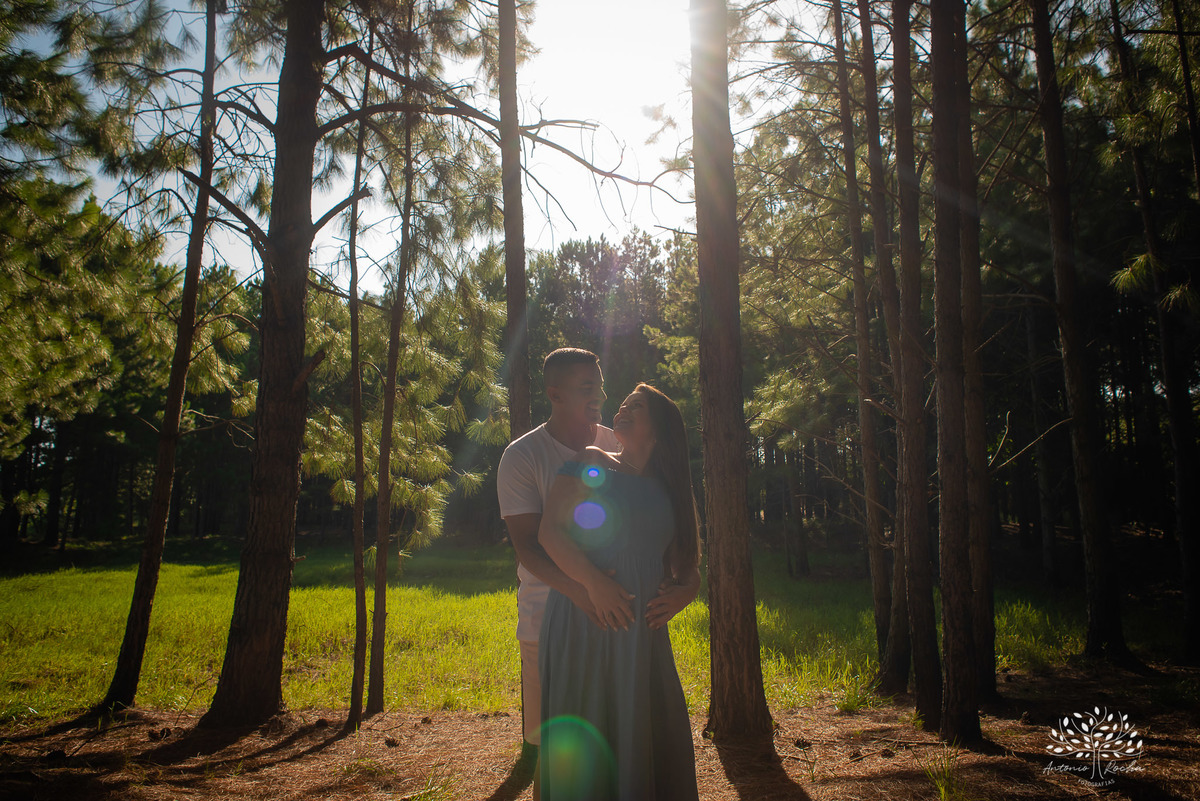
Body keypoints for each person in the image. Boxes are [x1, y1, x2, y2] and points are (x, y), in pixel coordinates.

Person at [537, 383, 702, 801]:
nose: (623, 408)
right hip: (584, 620)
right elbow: (550, 533)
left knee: (644, 731)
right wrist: (596, 584)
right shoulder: (591, 460)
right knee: (586, 732)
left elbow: (690, 568)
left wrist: (686, 592)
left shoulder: (672, 491)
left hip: (642, 639)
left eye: (638, 406)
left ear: (659, 429)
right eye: (624, 402)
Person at [496, 348, 620, 800]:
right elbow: (527, 544)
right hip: (544, 620)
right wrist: (583, 590)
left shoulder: (615, 446)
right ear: (555, 394)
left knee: (611, 738)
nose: (599, 395)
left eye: (599, 384)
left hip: (614, 617)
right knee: (557, 748)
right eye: (586, 387)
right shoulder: (523, 456)